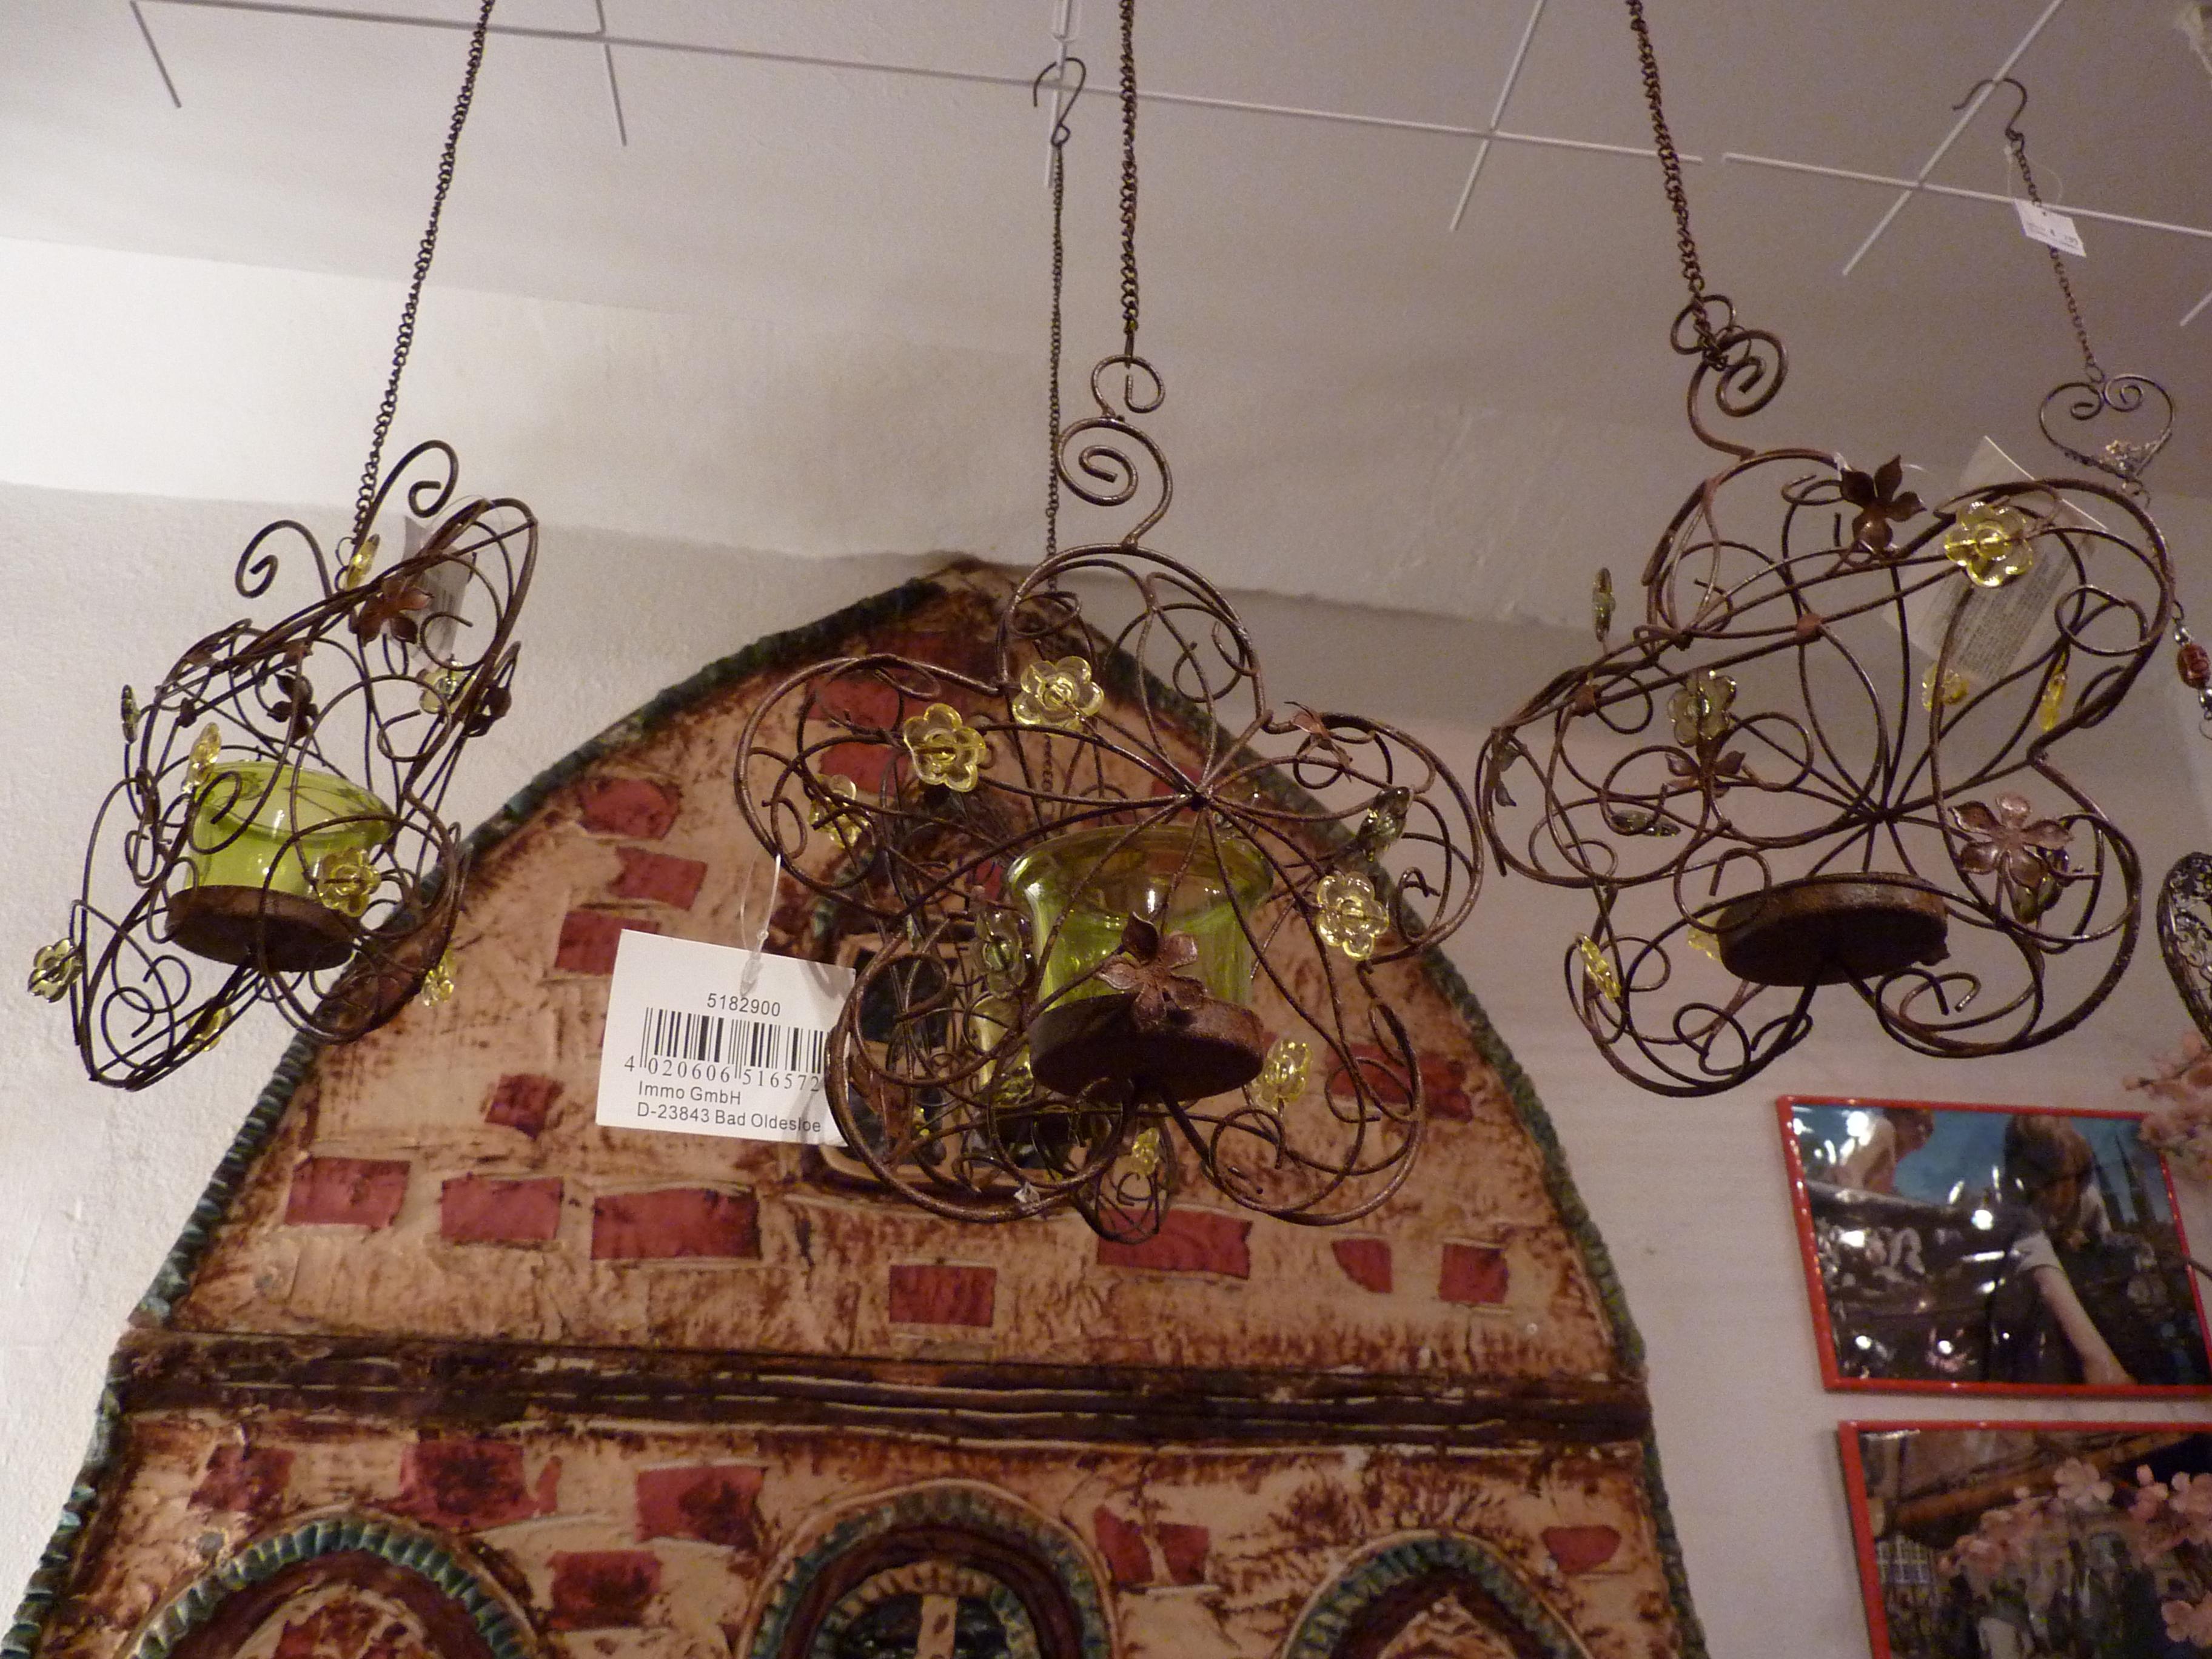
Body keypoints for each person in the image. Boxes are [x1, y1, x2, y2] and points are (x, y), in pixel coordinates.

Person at [1991, 1114, 2135, 1387]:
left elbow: (2104, 1245)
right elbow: (2043, 1268)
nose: (2054, 1195)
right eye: (2040, 1182)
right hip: (2026, 1305)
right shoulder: (2013, 1207)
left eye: (2062, 1179)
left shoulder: (2089, 1200)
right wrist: (2101, 1363)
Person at [1836, 1106, 1937, 1194]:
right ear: (1895, 1116)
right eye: (1914, 1121)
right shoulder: (1883, 1129)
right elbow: (1850, 1184)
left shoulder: (1888, 1162)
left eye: (1929, 1129)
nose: (1921, 1131)